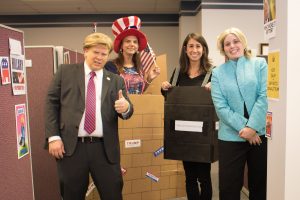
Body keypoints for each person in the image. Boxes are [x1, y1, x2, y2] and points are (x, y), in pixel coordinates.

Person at [45, 32, 134, 200]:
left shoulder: (116, 80)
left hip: (105, 149)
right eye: (96, 52)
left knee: (113, 194)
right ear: (85, 51)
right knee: (72, 195)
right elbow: (51, 103)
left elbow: (128, 110)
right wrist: (53, 137)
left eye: (104, 54)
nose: (100, 57)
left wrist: (126, 107)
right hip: (72, 148)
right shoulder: (65, 72)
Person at [211, 27, 268, 200]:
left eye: (236, 41)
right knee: (228, 187)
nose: (232, 46)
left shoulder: (259, 64)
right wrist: (246, 129)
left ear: (243, 42)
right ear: (223, 49)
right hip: (230, 137)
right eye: (227, 44)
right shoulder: (217, 73)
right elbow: (221, 107)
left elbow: (264, 96)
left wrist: (253, 127)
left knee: (259, 184)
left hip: (259, 134)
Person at [161, 33, 213, 200]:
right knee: (189, 177)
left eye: (198, 46)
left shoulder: (213, 73)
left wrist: (216, 88)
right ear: (185, 49)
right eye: (191, 46)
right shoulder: (178, 73)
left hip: (204, 134)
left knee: (204, 178)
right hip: (184, 133)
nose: (194, 50)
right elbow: (172, 99)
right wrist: (165, 88)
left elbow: (221, 99)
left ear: (204, 49)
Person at [105, 16, 160, 94]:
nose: (132, 44)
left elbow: (141, 92)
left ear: (138, 46)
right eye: (128, 41)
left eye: (135, 42)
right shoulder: (111, 66)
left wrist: (149, 79)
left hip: (138, 105)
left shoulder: (140, 67)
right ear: (121, 45)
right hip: (118, 105)